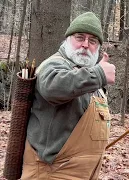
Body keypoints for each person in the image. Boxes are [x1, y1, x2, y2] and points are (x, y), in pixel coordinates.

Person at [21, 12, 115, 179]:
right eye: (80, 38)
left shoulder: (88, 74)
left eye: (92, 41)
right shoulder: (54, 64)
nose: (86, 44)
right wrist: (99, 74)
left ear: (98, 48)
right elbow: (53, 87)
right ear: (67, 40)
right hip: (52, 173)